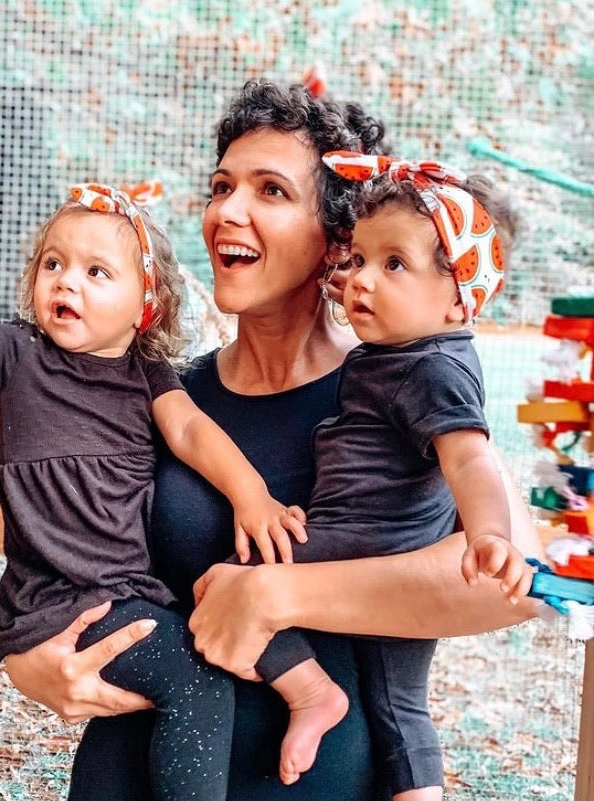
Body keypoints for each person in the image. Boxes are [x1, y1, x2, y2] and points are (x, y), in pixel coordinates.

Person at [0, 79, 544, 801]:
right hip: (129, 775)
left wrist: (278, 593)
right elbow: (52, 537)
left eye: (271, 190)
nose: (227, 211)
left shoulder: (401, 385)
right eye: (222, 187)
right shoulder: (162, 394)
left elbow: (516, 581)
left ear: (339, 239)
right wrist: (29, 660)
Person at [0, 116, 315, 801]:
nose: (66, 282)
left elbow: (192, 433)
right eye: (53, 264)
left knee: (211, 639)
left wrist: (251, 495)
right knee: (199, 678)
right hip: (63, 604)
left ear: (145, 304)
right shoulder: (17, 357)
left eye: (96, 271)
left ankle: (311, 694)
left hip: (127, 594)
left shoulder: (148, 375)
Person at [233, 149, 531, 799]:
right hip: (390, 550)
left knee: (231, 577)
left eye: (394, 264)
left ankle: (311, 694)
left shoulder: (433, 367)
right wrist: (361, 281)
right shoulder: (406, 347)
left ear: (459, 299)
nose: (361, 280)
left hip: (367, 537)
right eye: (359, 259)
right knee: (401, 706)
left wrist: (491, 535)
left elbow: (470, 456)